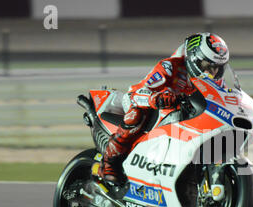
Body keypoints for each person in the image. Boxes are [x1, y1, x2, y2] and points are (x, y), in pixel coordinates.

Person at [98, 32, 230, 185]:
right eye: (208, 66)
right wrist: (156, 98)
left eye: (218, 69)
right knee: (136, 115)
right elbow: (138, 92)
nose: (213, 73)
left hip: (179, 113)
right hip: (145, 103)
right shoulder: (170, 66)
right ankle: (108, 163)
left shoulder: (214, 81)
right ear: (194, 59)